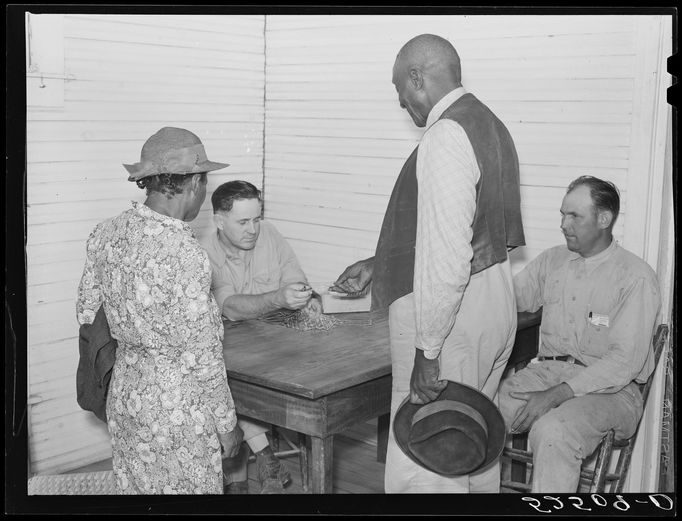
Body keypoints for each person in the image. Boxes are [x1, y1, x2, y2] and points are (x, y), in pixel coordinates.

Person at [332, 34, 525, 493]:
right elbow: (469, 228)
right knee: (470, 448)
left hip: (453, 320)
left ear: (417, 77)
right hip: (493, 303)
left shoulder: (446, 134)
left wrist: (428, 351)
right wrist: (381, 262)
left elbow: (447, 254)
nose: (404, 107)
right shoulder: (489, 124)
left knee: (428, 463)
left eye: (403, 94)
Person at [76, 127, 243, 494]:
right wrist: (227, 425)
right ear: (196, 182)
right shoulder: (185, 254)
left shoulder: (106, 233)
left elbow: (87, 311)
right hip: (179, 411)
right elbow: (204, 355)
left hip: (127, 397)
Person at [498, 176, 661, 493]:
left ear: (604, 219)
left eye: (574, 216)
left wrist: (558, 394)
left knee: (554, 431)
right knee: (480, 410)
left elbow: (623, 363)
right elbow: (509, 300)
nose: (563, 224)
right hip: (546, 372)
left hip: (613, 391)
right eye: (562, 214)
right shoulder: (553, 260)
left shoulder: (635, 276)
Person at [200, 180, 320, 494]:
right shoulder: (204, 253)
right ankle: (265, 456)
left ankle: (264, 456)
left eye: (257, 218)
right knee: (233, 387)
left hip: (275, 339)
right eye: (243, 222)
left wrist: (306, 297)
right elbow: (232, 308)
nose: (253, 229)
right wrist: (280, 298)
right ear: (219, 221)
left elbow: (294, 276)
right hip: (232, 348)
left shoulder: (269, 233)